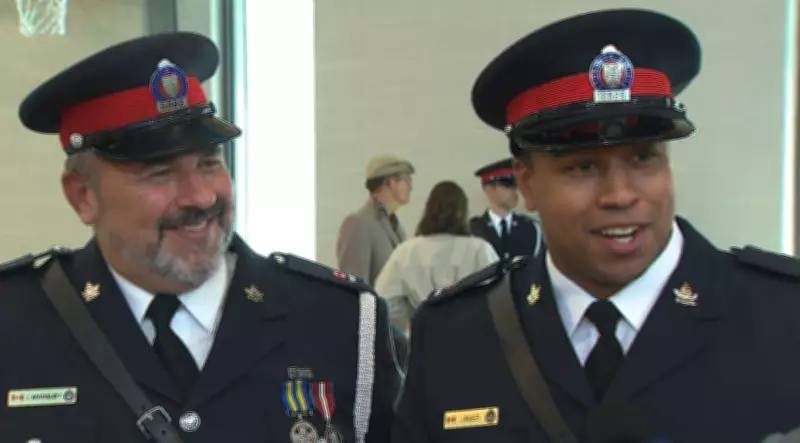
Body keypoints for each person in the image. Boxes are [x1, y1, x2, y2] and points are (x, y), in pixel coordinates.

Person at [391, 8, 800, 443]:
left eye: (643, 158)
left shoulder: (783, 317)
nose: (620, 195)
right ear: (526, 183)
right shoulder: (457, 335)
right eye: (582, 166)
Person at [0, 32, 401, 443]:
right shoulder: (14, 320)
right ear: (83, 196)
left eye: (210, 163)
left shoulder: (339, 321)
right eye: (160, 172)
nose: (202, 196)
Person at [375, 181, 499, 334]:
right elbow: (500, 297)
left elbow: (385, 301)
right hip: (470, 335)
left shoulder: (407, 251)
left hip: (424, 336)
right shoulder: (480, 249)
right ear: (463, 212)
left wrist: (411, 318)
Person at [336, 154, 415, 286]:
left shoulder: (396, 227)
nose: (411, 186)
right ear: (390, 182)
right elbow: (354, 288)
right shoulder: (358, 224)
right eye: (407, 180)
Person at [470, 157, 544, 259]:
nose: (514, 191)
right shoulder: (474, 230)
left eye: (515, 186)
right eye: (508, 185)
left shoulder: (531, 228)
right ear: (489, 189)